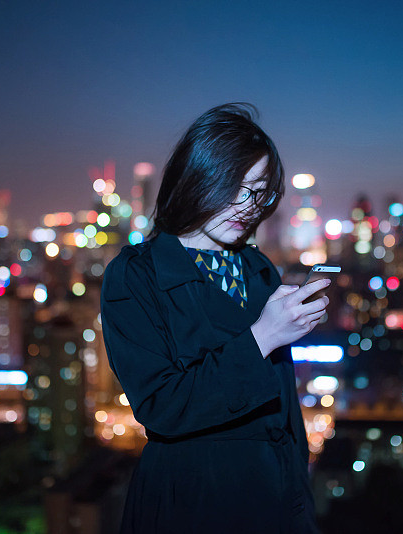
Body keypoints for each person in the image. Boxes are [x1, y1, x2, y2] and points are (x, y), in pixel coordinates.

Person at [100, 103, 328, 533]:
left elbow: (286, 415)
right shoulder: (136, 274)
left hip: (277, 504)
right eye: (235, 188)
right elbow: (161, 406)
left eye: (259, 192)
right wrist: (262, 336)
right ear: (197, 179)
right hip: (190, 503)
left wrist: (300, 506)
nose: (248, 206)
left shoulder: (259, 270)